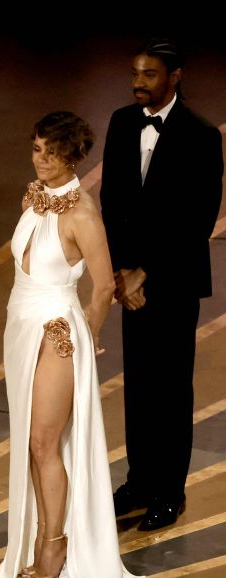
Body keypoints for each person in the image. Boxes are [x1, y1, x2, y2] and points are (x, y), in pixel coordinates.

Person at [0, 112, 150, 578]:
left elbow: (105, 283)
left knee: (45, 441)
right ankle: (44, 536)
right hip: (21, 328)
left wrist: (86, 328)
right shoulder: (35, 199)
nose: (38, 158)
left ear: (71, 156)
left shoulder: (82, 212)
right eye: (35, 147)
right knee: (33, 441)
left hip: (53, 334)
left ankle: (54, 545)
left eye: (49, 152)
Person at [103, 39, 224, 531]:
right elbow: (112, 200)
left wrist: (143, 272)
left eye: (149, 74)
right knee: (139, 384)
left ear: (174, 77)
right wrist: (118, 270)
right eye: (135, 73)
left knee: (171, 388)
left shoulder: (198, 134)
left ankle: (168, 492)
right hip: (128, 279)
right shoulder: (121, 122)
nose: (138, 82)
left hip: (171, 282)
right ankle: (138, 481)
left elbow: (196, 220)